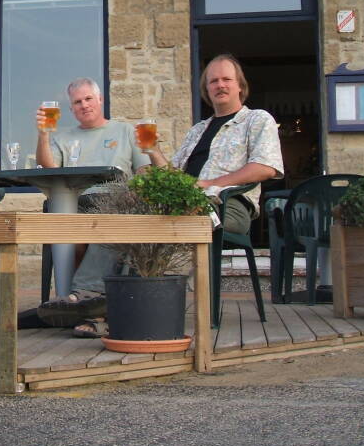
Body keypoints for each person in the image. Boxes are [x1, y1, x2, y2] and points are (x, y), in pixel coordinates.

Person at [35, 78, 150, 336]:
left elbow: (144, 170)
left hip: (118, 201)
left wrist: (135, 190)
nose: (84, 105)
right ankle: (89, 310)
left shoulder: (126, 131)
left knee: (107, 223)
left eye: (88, 99)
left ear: (100, 100)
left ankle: (81, 297)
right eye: (77, 102)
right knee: (69, 233)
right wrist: (43, 135)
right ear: (72, 108)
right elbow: (50, 170)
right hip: (77, 202)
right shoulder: (63, 137)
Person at [143, 54, 284, 235]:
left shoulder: (257, 119)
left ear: (240, 86)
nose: (220, 85)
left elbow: (265, 167)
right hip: (185, 201)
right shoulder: (197, 131)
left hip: (227, 205)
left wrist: (208, 184)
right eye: (214, 81)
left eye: (227, 79)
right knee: (127, 216)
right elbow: (174, 178)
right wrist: (153, 151)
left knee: (179, 220)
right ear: (207, 90)